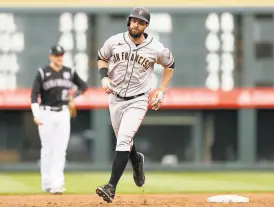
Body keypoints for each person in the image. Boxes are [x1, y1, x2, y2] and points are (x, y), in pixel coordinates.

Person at [96, 7, 175, 203]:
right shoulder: (114, 41)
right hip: (115, 99)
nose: (135, 24)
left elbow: (170, 65)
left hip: (138, 99)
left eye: (140, 22)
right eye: (133, 21)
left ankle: (111, 187)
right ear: (129, 22)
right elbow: (101, 58)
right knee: (125, 141)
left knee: (123, 140)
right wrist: (103, 78)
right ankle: (136, 160)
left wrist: (162, 90)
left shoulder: (155, 47)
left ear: (146, 25)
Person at [30, 45, 88, 194]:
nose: (59, 57)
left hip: (63, 113)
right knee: (48, 149)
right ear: (51, 56)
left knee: (60, 150)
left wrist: (73, 97)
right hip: (46, 113)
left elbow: (84, 86)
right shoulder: (43, 72)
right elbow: (34, 95)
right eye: (56, 55)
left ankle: (57, 183)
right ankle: (47, 182)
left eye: (61, 55)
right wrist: (36, 114)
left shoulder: (69, 72)